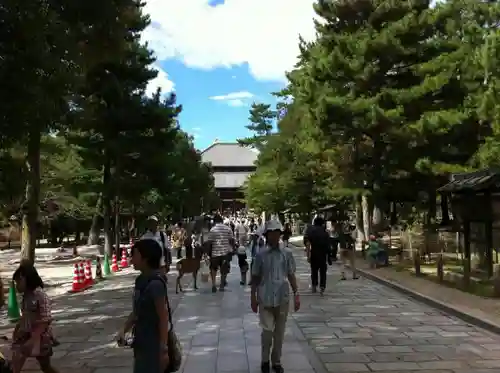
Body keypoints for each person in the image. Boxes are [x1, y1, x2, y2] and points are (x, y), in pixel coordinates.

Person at [251, 220, 300, 373]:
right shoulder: (260, 255)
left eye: (276, 233)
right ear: (266, 235)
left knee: (279, 333)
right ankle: (264, 360)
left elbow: (291, 274)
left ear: (280, 234)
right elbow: (255, 277)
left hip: (282, 297)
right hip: (265, 297)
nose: (274, 236)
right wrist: (252, 296)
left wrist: (296, 293)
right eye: (271, 233)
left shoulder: (287, 253)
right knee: (267, 332)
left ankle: (276, 361)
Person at [117, 239, 170, 373]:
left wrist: (163, 349)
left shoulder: (156, 284)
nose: (131, 259)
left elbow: (163, 318)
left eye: (134, 255)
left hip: (153, 345)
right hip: (141, 342)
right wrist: (124, 329)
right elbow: (137, 311)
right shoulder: (140, 281)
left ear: (145, 259)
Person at [11, 263, 60, 373]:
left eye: (18, 282)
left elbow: (46, 319)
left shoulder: (40, 295)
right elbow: (25, 315)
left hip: (41, 338)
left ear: (25, 278)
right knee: (16, 364)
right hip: (24, 336)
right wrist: (18, 328)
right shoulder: (26, 296)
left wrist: (34, 339)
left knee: (45, 366)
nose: (16, 285)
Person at [206, 214, 235, 292]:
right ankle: (222, 286)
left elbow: (209, 242)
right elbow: (232, 240)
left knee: (213, 268)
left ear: (214, 221)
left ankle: (213, 285)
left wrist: (208, 253)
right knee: (224, 270)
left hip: (215, 253)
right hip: (225, 253)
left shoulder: (213, 230)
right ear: (222, 221)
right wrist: (233, 249)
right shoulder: (228, 229)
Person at [303, 216, 331, 295]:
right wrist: (329, 257)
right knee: (323, 271)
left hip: (314, 253)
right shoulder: (325, 233)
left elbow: (308, 244)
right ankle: (322, 286)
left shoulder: (311, 232)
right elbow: (328, 246)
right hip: (323, 254)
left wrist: (308, 255)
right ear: (322, 223)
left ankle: (314, 285)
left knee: (314, 270)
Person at [235, 219, 249, 285]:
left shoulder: (238, 225)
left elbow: (236, 230)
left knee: (241, 244)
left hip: (241, 235)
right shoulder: (245, 225)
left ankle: (241, 250)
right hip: (244, 234)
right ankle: (243, 250)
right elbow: (247, 229)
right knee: (244, 245)